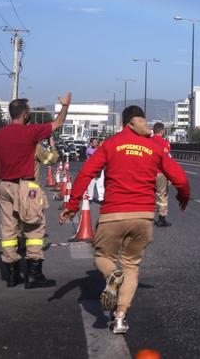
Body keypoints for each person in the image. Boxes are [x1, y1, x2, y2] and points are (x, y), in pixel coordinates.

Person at [60, 106, 190, 335]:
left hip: (113, 214)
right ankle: (120, 317)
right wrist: (183, 197)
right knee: (131, 265)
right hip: (143, 217)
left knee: (103, 257)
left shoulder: (110, 144)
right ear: (140, 121)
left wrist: (72, 206)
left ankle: (112, 275)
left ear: (124, 122)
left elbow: (86, 173)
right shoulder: (154, 146)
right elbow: (179, 178)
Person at [0, 94, 71, 288]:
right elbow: (57, 123)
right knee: (34, 227)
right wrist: (65, 106)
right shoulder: (31, 131)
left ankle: (12, 274)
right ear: (25, 114)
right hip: (26, 186)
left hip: (4, 186)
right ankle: (33, 274)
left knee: (8, 229)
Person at [152, 122, 173, 226]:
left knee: (147, 194)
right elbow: (167, 161)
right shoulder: (165, 143)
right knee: (162, 196)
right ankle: (161, 219)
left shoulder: (147, 141)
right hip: (160, 173)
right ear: (162, 131)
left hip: (148, 172)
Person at [85, 137, 105, 202]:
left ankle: (101, 198)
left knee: (100, 183)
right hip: (91, 168)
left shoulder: (99, 148)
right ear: (91, 143)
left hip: (99, 168)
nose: (96, 144)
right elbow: (95, 155)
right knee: (91, 183)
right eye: (95, 142)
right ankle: (90, 197)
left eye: (97, 142)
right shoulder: (88, 150)